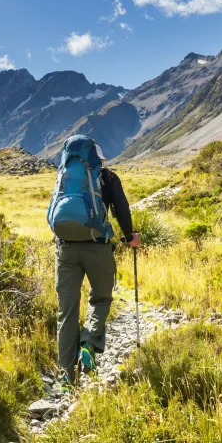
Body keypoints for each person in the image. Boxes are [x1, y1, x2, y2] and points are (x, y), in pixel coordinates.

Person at [50, 139, 140, 391]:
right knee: (100, 299)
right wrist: (130, 237)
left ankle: (67, 379)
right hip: (97, 247)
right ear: (98, 159)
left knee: (66, 313)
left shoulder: (64, 177)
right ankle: (88, 344)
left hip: (65, 249)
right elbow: (121, 209)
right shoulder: (108, 178)